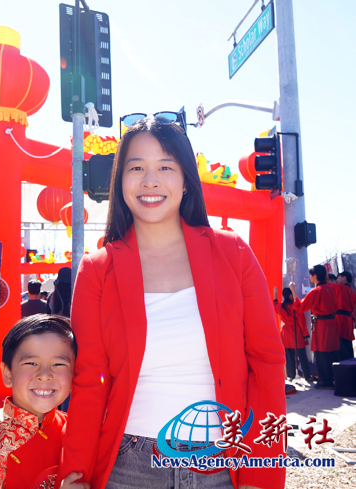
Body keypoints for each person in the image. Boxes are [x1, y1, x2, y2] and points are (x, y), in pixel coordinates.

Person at [59, 117, 286, 489]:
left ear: (185, 180)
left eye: (165, 167)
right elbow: (89, 381)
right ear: (120, 181)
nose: (150, 181)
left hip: (221, 463)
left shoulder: (233, 253)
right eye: (136, 168)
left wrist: (261, 473)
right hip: (129, 466)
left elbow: (266, 364)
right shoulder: (98, 270)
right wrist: (77, 473)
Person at [0, 314, 87, 489]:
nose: (44, 375)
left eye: (58, 364)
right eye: (31, 363)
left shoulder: (75, 431)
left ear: (74, 374)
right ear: (8, 374)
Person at [290, 264, 338, 389]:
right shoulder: (330, 288)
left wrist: (293, 291)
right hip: (332, 323)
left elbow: (300, 307)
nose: (310, 276)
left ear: (315, 276)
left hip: (322, 324)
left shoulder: (316, 291)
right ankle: (331, 378)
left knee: (321, 353)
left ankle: (325, 381)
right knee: (330, 352)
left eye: (311, 275)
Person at [273, 287, 312, 381]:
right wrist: (305, 334)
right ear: (290, 295)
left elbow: (275, 305)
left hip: (286, 333)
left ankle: (291, 375)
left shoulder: (281, 307)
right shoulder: (295, 307)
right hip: (296, 331)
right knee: (302, 355)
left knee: (289, 355)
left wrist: (275, 293)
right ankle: (307, 375)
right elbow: (302, 321)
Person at [331, 272, 356, 361]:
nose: (336, 280)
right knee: (348, 345)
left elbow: (325, 286)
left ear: (344, 278)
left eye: (338, 278)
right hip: (349, 320)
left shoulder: (339, 287)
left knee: (340, 345)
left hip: (339, 319)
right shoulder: (352, 292)